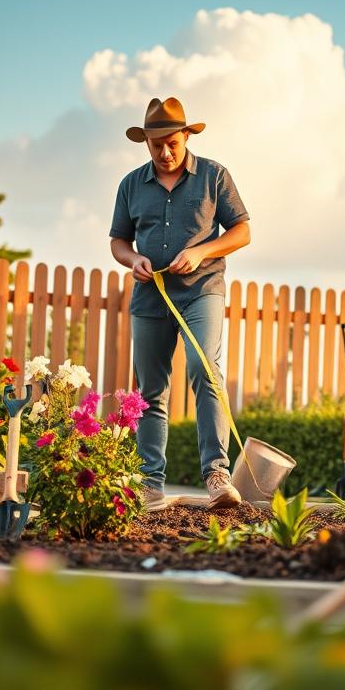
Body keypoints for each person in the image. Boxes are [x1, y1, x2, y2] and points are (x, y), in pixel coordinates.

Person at [110, 97, 251, 510]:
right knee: (151, 389)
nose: (166, 153)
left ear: (186, 136)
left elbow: (242, 231)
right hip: (150, 297)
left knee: (204, 368)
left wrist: (203, 251)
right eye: (157, 146)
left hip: (201, 290)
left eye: (172, 143)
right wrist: (133, 258)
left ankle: (217, 475)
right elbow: (118, 240)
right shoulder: (131, 185)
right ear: (146, 144)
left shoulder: (214, 176)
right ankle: (150, 482)